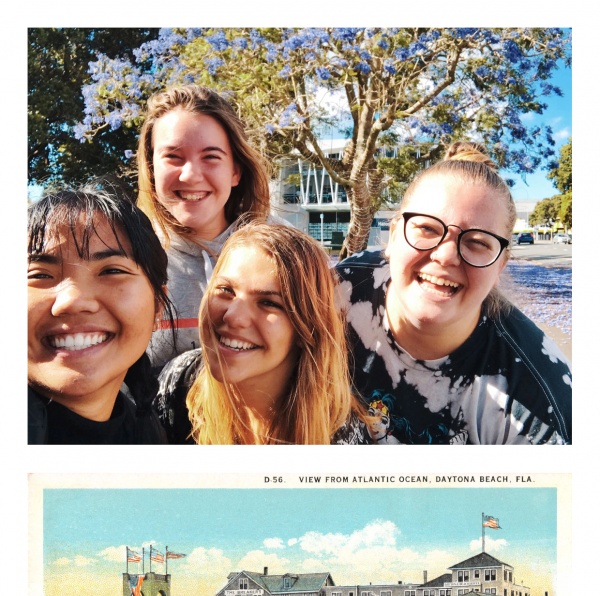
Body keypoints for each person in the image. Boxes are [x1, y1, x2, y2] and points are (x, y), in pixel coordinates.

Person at [336, 141, 572, 444]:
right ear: (394, 236)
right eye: (427, 229)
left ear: (500, 265)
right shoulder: (340, 289)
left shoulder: (538, 403)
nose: (446, 256)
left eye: (477, 241)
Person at [155, 222, 369, 444]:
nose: (233, 316)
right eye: (226, 290)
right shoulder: (178, 382)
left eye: (269, 303)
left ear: (307, 327)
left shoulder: (340, 438)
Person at [137, 84, 271, 369]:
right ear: (151, 168)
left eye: (211, 157)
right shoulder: (127, 259)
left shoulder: (282, 254)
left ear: (235, 170)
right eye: (173, 157)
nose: (191, 175)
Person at [28, 186, 175, 444]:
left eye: (111, 271)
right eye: (40, 275)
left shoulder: (149, 433)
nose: (72, 301)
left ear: (157, 307)